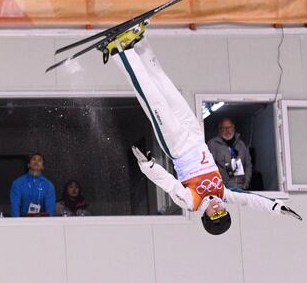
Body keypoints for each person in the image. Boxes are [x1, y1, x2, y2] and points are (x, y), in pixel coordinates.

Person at [108, 30, 301, 235]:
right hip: (196, 137)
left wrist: (148, 166)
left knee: (153, 98)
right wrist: (277, 207)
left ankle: (120, 52)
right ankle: (139, 43)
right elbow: (251, 200)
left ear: (205, 216)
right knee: (168, 90)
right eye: (222, 213)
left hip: (178, 146)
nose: (218, 209)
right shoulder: (225, 194)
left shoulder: (192, 201)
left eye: (214, 215)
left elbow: (169, 184)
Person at [208, 118, 252, 189]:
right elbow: (210, 167)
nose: (227, 131)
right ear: (219, 130)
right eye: (223, 128)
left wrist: (246, 183)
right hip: (224, 189)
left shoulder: (241, 144)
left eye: (229, 127)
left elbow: (248, 165)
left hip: (241, 188)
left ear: (233, 128)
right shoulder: (213, 144)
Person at [10, 153, 56, 217]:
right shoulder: (18, 183)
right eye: (33, 159)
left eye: (39, 160)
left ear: (43, 167)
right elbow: (14, 208)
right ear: (28, 165)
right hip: (22, 221)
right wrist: (18, 224)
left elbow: (50, 210)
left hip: (42, 222)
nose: (36, 162)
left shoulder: (48, 185)